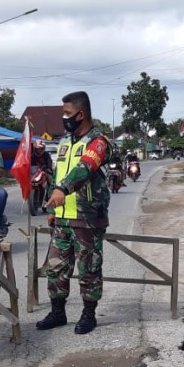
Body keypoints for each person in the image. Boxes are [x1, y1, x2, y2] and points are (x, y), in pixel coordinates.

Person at [37, 90, 112, 335]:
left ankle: (88, 315)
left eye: (67, 113)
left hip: (87, 218)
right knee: (56, 267)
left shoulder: (98, 142)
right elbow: (58, 174)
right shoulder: (64, 143)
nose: (64, 118)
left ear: (81, 114)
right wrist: (52, 204)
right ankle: (58, 312)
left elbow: (85, 168)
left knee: (89, 269)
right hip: (63, 218)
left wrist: (62, 189)